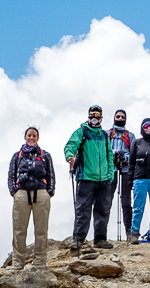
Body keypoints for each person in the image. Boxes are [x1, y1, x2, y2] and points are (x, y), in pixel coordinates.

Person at [64, 105, 116, 249]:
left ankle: (100, 239)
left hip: (104, 179)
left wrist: (110, 174)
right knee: (83, 209)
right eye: (92, 115)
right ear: (88, 116)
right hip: (86, 177)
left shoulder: (104, 135)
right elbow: (70, 145)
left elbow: (109, 155)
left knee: (103, 210)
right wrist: (70, 157)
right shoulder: (82, 132)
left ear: (101, 117)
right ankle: (78, 240)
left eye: (97, 115)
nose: (95, 117)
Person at [8, 126, 56, 269]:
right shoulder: (17, 156)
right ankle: (17, 263)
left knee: (41, 230)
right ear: (25, 137)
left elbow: (51, 175)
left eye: (34, 136)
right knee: (19, 230)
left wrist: (49, 192)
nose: (31, 138)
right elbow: (11, 175)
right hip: (21, 194)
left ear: (37, 138)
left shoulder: (45, 155)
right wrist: (14, 192)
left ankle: (40, 263)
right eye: (29, 135)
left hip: (41, 194)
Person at [107, 109, 136, 240]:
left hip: (126, 170)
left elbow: (134, 154)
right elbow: (103, 151)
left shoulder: (130, 136)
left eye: (122, 116)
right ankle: (101, 232)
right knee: (106, 201)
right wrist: (113, 154)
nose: (119, 118)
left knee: (126, 201)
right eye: (117, 116)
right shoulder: (107, 134)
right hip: (110, 170)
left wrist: (125, 157)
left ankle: (129, 231)